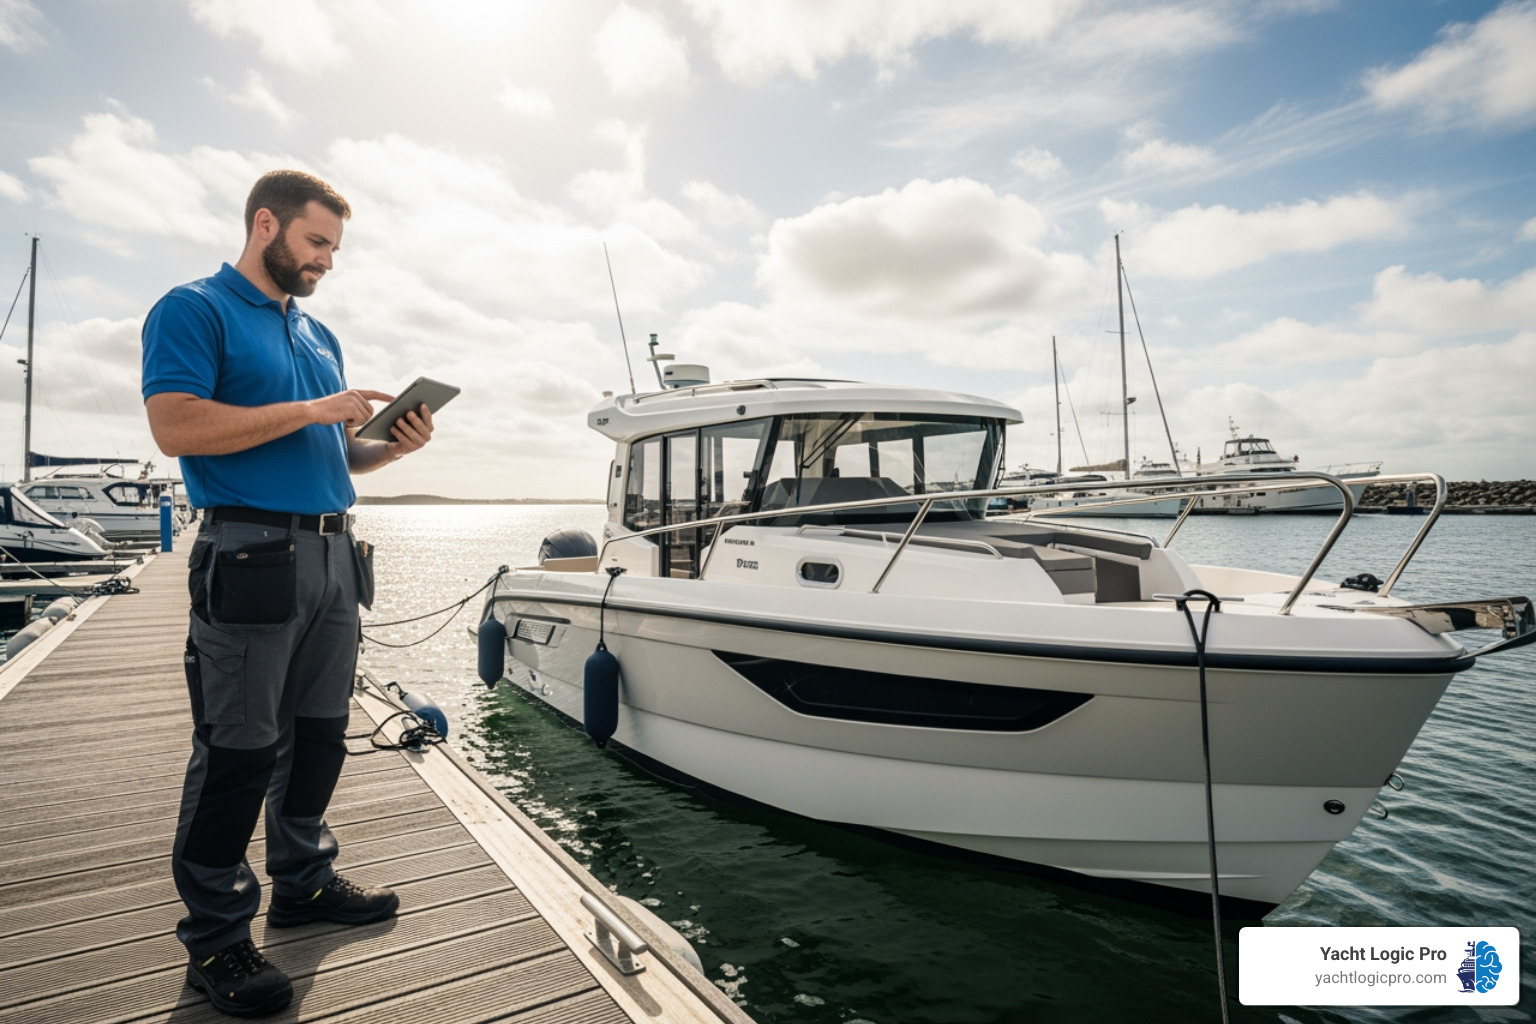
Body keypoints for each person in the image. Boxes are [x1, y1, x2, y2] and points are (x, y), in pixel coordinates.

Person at [142, 170, 433, 1017]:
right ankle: (217, 937)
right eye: (316, 243)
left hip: (335, 557)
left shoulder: (319, 333)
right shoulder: (193, 308)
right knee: (236, 750)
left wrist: (396, 447)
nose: (327, 263)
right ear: (264, 223)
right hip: (250, 551)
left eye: (335, 249)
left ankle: (302, 883)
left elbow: (342, 458)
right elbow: (175, 426)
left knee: (319, 737)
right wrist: (311, 409)